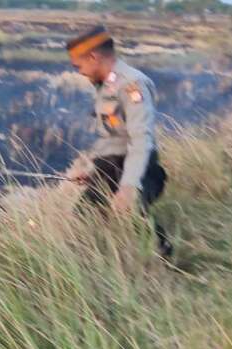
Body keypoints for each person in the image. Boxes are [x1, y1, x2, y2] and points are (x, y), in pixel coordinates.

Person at [66, 25, 173, 256]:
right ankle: (101, 263)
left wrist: (128, 186)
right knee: (83, 219)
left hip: (136, 168)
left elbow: (140, 138)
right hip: (110, 167)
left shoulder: (132, 85)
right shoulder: (105, 86)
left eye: (79, 65)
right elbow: (112, 137)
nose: (80, 72)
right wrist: (91, 169)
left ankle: (164, 260)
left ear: (94, 57)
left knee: (134, 214)